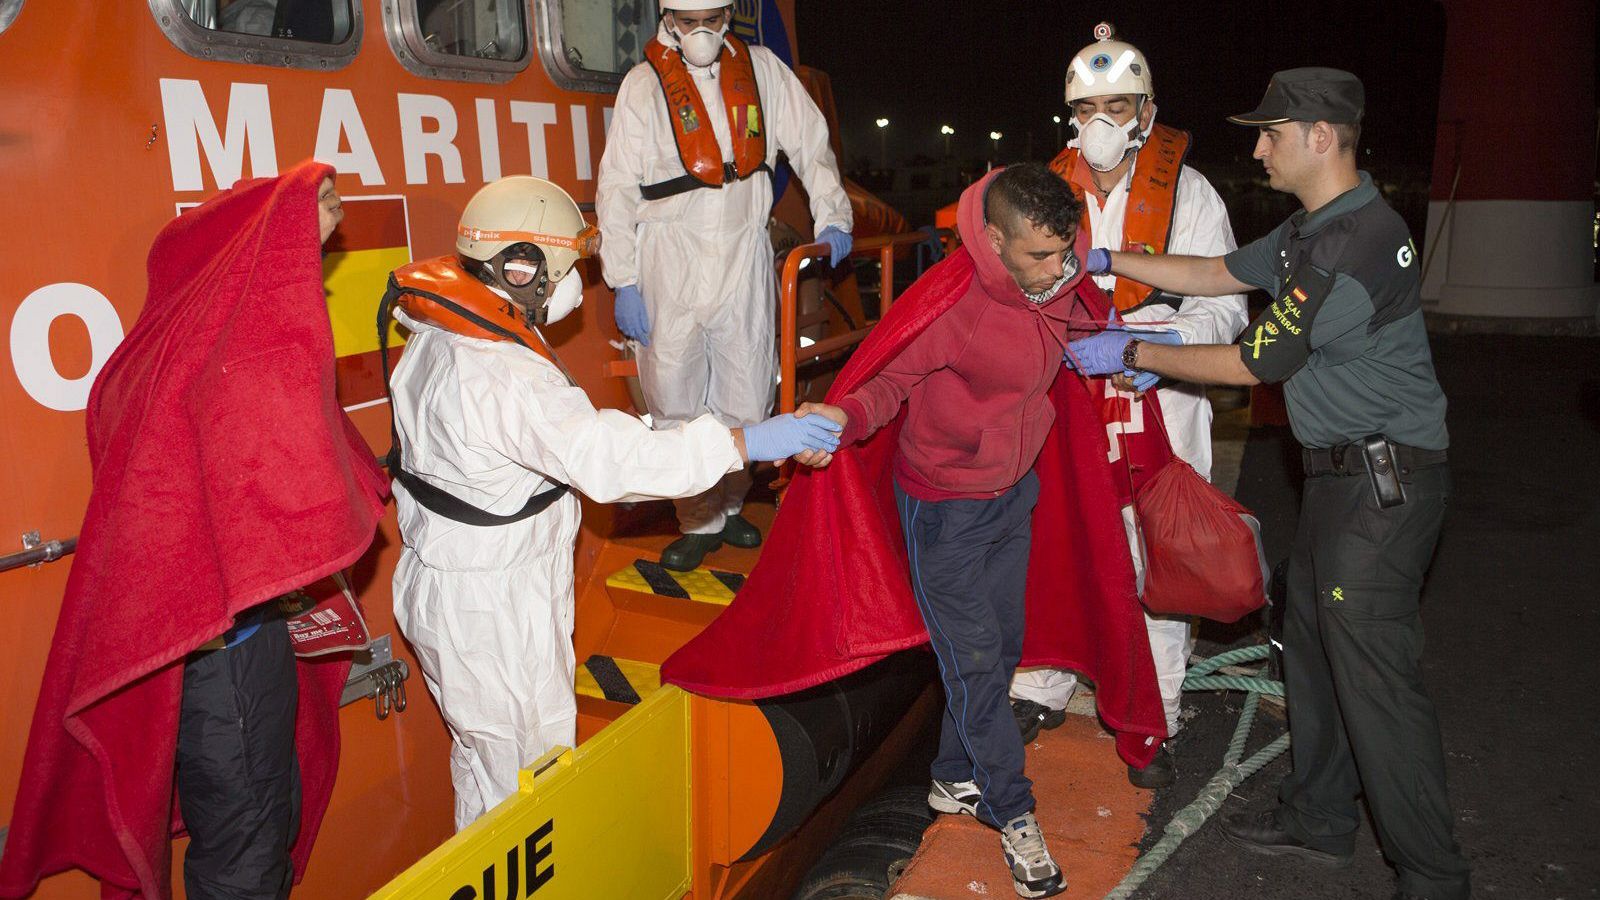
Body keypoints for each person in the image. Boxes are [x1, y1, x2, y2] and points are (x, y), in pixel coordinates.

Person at [1066, 69, 1470, 900]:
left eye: (1271, 136)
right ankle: (1319, 819)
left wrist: (1133, 351)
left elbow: (1256, 361)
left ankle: (1434, 875)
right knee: (1311, 651)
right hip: (1339, 480)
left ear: (1321, 138)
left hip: (1383, 488)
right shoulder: (1309, 230)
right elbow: (1215, 272)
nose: (1258, 151)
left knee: (1375, 681)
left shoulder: (1353, 244)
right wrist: (1108, 258)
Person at [383, 176, 840, 830]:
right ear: (523, 268)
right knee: (525, 779)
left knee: (486, 761)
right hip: (494, 606)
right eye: (567, 267)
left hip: (454, 584)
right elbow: (609, 461)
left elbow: (553, 440)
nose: (577, 285)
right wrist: (745, 441)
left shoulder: (438, 333)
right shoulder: (502, 370)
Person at [0, 163, 388, 900]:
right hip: (229, 653)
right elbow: (302, 491)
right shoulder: (239, 365)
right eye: (300, 257)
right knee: (249, 848)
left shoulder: (159, 354)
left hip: (195, 650)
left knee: (243, 832)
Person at [797, 163, 1125, 899]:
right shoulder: (956, 305)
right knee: (975, 665)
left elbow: (1082, 321)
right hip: (945, 508)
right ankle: (1012, 808)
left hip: (1014, 496)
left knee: (999, 650)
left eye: (1066, 251)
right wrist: (842, 418)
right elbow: (887, 380)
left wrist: (1125, 346)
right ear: (995, 241)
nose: (1059, 268)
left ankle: (951, 776)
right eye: (1040, 255)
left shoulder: (1060, 274)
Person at [1009, 23, 1248, 789]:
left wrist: (1159, 346)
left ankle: (1157, 711)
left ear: (1147, 113)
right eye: (1087, 110)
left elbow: (1227, 305)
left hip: (1161, 398)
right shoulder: (1039, 193)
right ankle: (1040, 683)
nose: (1101, 124)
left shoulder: (1192, 194)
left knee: (1159, 556)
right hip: (1065, 397)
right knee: (1053, 539)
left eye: (1117, 107)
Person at [596, 0, 853, 572]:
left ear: (728, 15)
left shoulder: (762, 72)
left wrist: (833, 214)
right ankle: (697, 521)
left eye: (711, 19)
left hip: (743, 252)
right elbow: (616, 187)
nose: (701, 31)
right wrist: (624, 279)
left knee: (747, 392)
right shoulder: (643, 85)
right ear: (668, 20)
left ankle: (731, 505)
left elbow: (810, 143)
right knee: (673, 399)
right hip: (668, 258)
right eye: (689, 22)